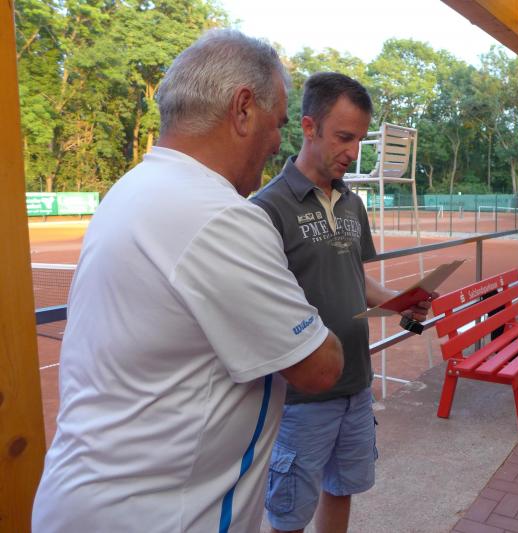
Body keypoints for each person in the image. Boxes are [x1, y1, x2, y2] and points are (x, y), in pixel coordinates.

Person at [32, 30, 345, 533]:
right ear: (243, 109)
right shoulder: (218, 215)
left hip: (87, 498)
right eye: (278, 123)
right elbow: (320, 367)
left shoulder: (133, 188)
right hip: (160, 516)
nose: (277, 143)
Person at [251, 73, 432, 533]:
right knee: (289, 514)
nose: (353, 152)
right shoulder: (267, 209)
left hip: (356, 383)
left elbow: (356, 279)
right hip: (300, 398)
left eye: (359, 140)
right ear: (309, 127)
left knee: (341, 488)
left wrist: (401, 301)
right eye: (344, 137)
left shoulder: (352, 203)